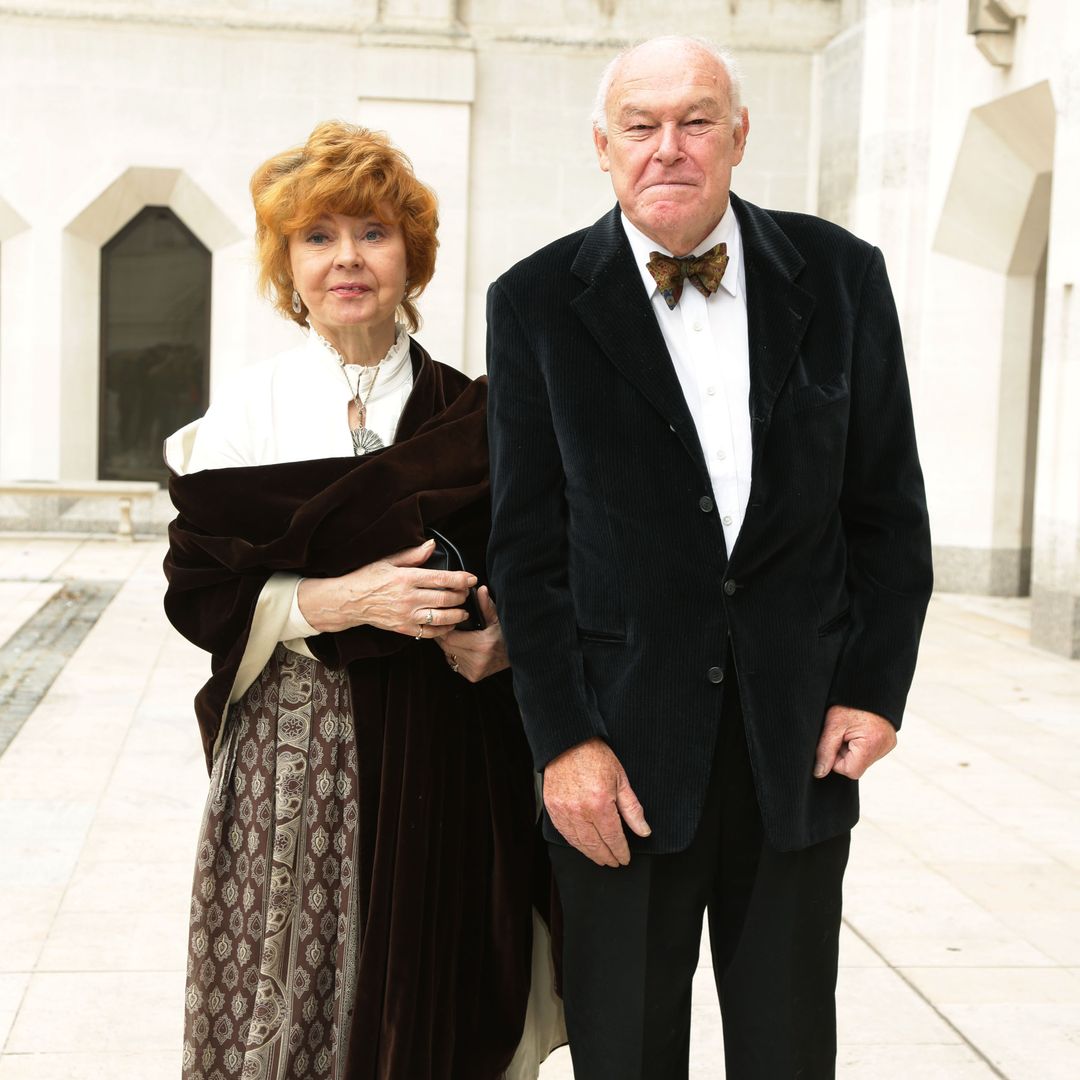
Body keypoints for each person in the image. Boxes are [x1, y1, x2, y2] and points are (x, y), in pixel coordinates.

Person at [486, 34, 933, 1080]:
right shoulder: (536, 302)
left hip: (797, 747)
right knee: (627, 1055)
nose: (669, 148)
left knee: (787, 1053)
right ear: (603, 147)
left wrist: (874, 691)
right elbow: (527, 550)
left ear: (739, 136)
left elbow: (888, 512)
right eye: (641, 126)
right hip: (621, 762)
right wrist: (563, 747)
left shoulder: (842, 277)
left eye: (696, 121)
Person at [163, 121, 563, 1080]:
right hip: (288, 756)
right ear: (287, 265)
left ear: (411, 258)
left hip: (441, 756)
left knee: (433, 998)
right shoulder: (246, 412)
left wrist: (506, 637)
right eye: (318, 236)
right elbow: (198, 590)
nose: (348, 258)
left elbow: (544, 564)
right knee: (282, 990)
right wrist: (337, 601)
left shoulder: (475, 411)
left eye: (374, 233)